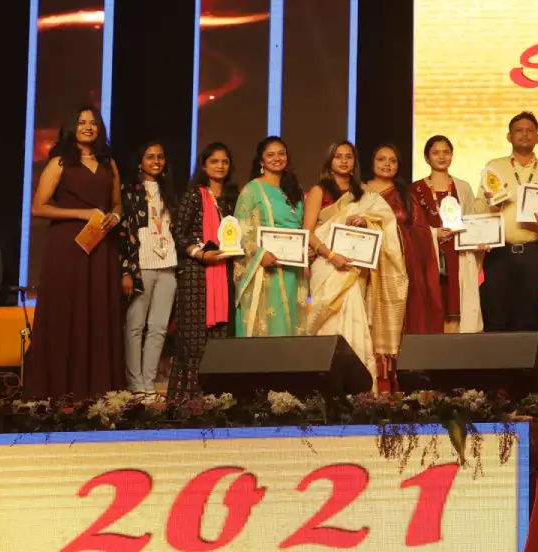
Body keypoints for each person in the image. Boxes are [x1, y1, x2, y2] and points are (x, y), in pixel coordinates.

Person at [25, 106, 131, 398]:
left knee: (99, 311)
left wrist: (115, 218)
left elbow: (117, 204)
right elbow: (38, 207)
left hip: (101, 245)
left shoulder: (109, 164)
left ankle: (98, 390)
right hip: (67, 246)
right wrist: (82, 213)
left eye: (93, 123)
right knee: (67, 311)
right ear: (72, 127)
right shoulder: (60, 162)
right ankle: (59, 389)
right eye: (82, 122)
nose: (88, 127)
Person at [303, 141, 406, 391]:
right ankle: (324, 389)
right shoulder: (319, 191)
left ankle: (359, 390)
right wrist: (330, 255)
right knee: (328, 323)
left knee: (356, 322)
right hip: (328, 267)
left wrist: (367, 221)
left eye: (349, 156)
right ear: (330, 161)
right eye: (338, 156)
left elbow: (386, 222)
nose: (344, 161)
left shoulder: (364, 196)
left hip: (354, 269)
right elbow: (307, 232)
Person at [480, 112, 538, 332]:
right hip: (499, 253)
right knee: (495, 316)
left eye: (530, 130)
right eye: (519, 130)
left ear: (537, 137)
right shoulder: (494, 167)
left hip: (534, 252)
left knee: (526, 318)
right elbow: (478, 210)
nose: (524, 134)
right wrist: (491, 205)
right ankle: (497, 367)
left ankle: (524, 368)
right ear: (509, 136)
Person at [169, 142, 237, 398]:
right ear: (204, 166)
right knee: (195, 342)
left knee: (220, 341)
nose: (220, 166)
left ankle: (218, 401)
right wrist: (200, 254)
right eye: (214, 161)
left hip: (225, 274)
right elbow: (177, 233)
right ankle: (188, 402)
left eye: (225, 161)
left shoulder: (232, 199)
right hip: (196, 276)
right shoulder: (194, 195)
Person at [365, 143, 444, 336]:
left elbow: (421, 230)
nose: (387, 164)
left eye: (392, 161)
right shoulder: (360, 192)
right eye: (381, 159)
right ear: (372, 163)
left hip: (400, 267)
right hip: (368, 269)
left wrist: (434, 234)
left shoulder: (405, 194)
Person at [119, 140, 178, 393]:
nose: (156, 161)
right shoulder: (129, 191)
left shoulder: (171, 192)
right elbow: (124, 233)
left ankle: (149, 384)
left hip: (168, 263)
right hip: (140, 264)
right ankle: (135, 386)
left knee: (159, 327)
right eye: (150, 157)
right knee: (135, 326)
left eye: (160, 157)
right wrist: (126, 270)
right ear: (140, 161)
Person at [408, 135, 483, 332]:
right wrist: (434, 233)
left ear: (452, 156)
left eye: (446, 152)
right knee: (432, 303)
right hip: (428, 257)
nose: (442, 157)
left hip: (458, 255)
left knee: (459, 305)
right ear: (426, 157)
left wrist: (481, 239)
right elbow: (411, 228)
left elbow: (472, 219)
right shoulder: (415, 189)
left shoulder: (463, 187)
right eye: (436, 153)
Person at [233, 136, 307, 338]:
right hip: (265, 270)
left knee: (292, 325)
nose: (277, 158)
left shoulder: (295, 190)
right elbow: (241, 231)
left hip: (293, 270)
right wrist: (259, 255)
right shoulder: (252, 190)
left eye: (281, 153)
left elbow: (302, 228)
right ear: (261, 162)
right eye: (271, 155)